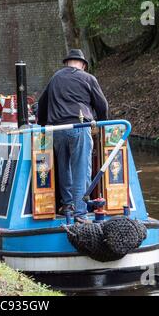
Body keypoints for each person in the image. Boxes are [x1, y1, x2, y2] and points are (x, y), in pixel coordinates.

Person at [38, 49, 109, 223]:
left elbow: (42, 103)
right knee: (81, 169)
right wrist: (102, 124)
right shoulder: (88, 78)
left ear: (66, 63)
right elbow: (102, 105)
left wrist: (41, 124)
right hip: (80, 125)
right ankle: (80, 213)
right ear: (83, 65)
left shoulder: (55, 78)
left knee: (64, 167)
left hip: (57, 129)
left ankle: (68, 205)